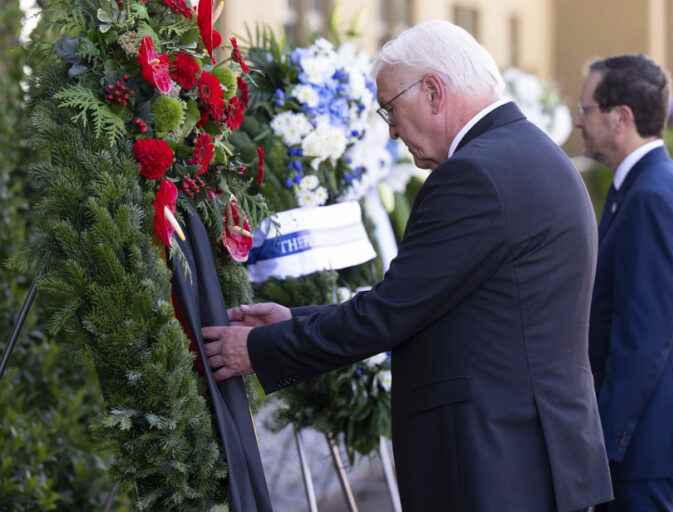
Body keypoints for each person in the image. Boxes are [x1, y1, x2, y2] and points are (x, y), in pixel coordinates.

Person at [203, 20, 612, 511]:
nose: (392, 130)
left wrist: (262, 348)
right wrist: (296, 320)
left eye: (391, 109)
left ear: (434, 91)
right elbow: (428, 303)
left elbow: (392, 312)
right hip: (527, 456)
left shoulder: (475, 174)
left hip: (495, 464)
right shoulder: (528, 154)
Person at [575, 54, 673, 512]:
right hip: (643, 430)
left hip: (642, 436)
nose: (579, 122)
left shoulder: (651, 194)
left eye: (587, 110)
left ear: (621, 118)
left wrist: (608, 442)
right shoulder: (644, 185)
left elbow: (644, 336)